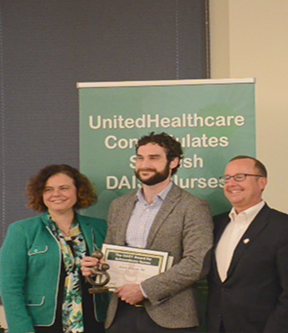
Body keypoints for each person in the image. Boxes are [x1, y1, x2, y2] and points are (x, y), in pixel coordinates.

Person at [82, 132, 213, 333]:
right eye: (140, 158)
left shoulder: (193, 207)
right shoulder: (119, 206)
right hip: (121, 315)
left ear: (174, 162)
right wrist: (96, 269)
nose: (144, 165)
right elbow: (112, 257)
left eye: (154, 158)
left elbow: (196, 264)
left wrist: (144, 290)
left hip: (171, 318)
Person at [0, 164, 108, 333]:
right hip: (42, 325)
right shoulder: (22, 231)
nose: (56, 194)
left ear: (78, 191)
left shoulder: (100, 228)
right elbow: (10, 286)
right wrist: (21, 329)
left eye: (64, 188)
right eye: (48, 189)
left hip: (94, 323)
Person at [206, 156, 288, 333]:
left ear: (262, 182)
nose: (231, 183)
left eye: (239, 177)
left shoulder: (286, 227)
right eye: (227, 178)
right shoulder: (215, 224)